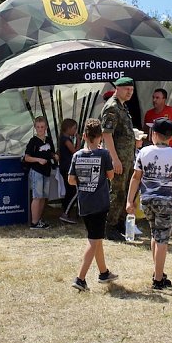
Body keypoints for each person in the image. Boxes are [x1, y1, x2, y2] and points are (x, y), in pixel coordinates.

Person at [126, 117, 172, 290]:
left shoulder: (143, 152)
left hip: (147, 200)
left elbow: (136, 177)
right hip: (166, 201)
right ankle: (158, 279)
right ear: (171, 136)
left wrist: (130, 200)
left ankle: (157, 271)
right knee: (163, 239)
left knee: (155, 234)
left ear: (154, 134)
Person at [69, 118, 118, 291]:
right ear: (100, 137)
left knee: (96, 238)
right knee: (93, 240)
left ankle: (103, 272)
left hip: (84, 203)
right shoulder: (104, 154)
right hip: (100, 203)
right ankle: (80, 278)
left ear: (83, 136)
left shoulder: (77, 155)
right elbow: (111, 175)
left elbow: (71, 179)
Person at [101, 77, 136, 241]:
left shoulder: (122, 106)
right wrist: (114, 160)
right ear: (118, 88)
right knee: (117, 193)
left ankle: (121, 222)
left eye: (131, 89)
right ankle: (110, 226)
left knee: (126, 191)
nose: (130, 92)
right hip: (118, 160)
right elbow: (106, 134)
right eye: (126, 89)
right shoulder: (113, 107)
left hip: (126, 158)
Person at [22, 115, 58, 229]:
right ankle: (34, 222)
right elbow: (26, 157)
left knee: (43, 197)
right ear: (35, 128)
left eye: (42, 127)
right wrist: (38, 159)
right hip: (36, 171)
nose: (40, 129)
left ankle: (39, 220)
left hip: (46, 171)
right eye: (38, 127)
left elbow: (50, 152)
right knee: (37, 196)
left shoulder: (48, 140)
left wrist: (54, 156)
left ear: (46, 127)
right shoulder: (33, 141)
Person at [58, 118, 80, 225]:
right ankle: (65, 213)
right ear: (68, 128)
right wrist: (79, 140)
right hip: (67, 168)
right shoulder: (66, 139)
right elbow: (75, 152)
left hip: (64, 167)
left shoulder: (63, 138)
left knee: (69, 191)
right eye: (74, 128)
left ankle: (66, 211)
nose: (75, 131)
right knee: (74, 191)